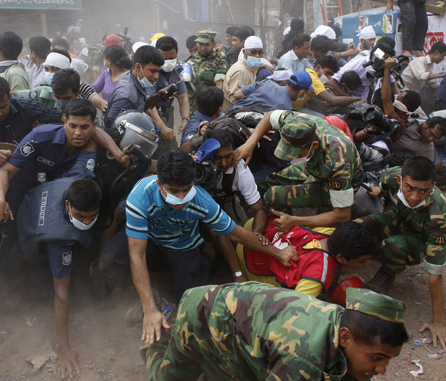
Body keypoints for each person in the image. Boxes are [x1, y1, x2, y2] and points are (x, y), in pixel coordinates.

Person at [123, 150, 297, 342]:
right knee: (111, 261)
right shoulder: (139, 197)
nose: (181, 198)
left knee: (191, 301)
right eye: (173, 191)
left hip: (182, 245)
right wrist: (149, 310)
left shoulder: (202, 200)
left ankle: (207, 254)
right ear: (159, 184)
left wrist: (278, 253)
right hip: (147, 240)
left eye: (186, 189)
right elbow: (136, 255)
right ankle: (141, 300)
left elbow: (235, 232)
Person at [142, 283, 408, 381]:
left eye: (387, 359)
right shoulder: (303, 357)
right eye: (377, 358)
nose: (382, 370)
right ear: (346, 337)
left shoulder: (342, 325)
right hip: (204, 315)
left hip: (244, 327)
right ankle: (157, 333)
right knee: (167, 377)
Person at [357, 157, 446, 350]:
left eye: (423, 190)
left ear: (432, 186)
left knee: (392, 246)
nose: (414, 196)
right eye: (409, 188)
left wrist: (439, 322)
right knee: (359, 226)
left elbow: (435, 275)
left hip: (419, 239)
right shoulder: (391, 176)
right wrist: (382, 192)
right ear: (401, 180)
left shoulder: (439, 216)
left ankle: (388, 271)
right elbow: (386, 186)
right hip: (398, 219)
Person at [0, 99, 128, 229]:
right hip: (24, 190)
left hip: (58, 199)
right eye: (72, 126)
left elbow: (99, 135)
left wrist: (118, 154)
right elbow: (6, 171)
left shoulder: (93, 142)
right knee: (7, 228)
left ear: (93, 125)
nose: (78, 133)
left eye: (84, 127)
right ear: (64, 120)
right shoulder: (40, 136)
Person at [15, 177, 102, 378]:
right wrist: (63, 348)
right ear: (67, 205)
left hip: (39, 196)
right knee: (50, 286)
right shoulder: (59, 239)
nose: (87, 222)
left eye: (92, 216)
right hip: (29, 225)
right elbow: (61, 293)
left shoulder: (82, 180)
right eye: (80, 217)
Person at [235, 110, 362, 228]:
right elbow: (269, 116)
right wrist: (250, 143)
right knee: (268, 181)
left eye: (296, 154)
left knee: (272, 196)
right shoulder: (299, 124)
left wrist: (295, 221)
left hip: (331, 183)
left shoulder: (337, 163)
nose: (292, 158)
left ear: (314, 146)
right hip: (311, 165)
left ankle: (277, 228)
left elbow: (342, 215)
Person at [237, 220, 375, 298]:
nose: (367, 263)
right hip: (251, 264)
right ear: (340, 258)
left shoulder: (328, 231)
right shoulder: (319, 273)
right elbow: (295, 305)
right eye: (362, 261)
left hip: (251, 229)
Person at [0, 76, 62, 165]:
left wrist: (41, 129)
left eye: (2, 107)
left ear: (10, 98)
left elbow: (61, 120)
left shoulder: (27, 107)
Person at [199, 129, 267, 233]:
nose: (224, 163)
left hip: (228, 199)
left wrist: (256, 235)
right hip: (200, 203)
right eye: (217, 157)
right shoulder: (196, 164)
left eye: (228, 156)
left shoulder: (241, 171)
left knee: (239, 232)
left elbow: (258, 209)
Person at [105, 45, 165, 128]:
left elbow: (138, 107)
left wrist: (155, 97)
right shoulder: (125, 96)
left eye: (158, 72)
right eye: (153, 71)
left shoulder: (134, 77)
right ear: (137, 67)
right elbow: (111, 127)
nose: (156, 76)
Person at [222, 36, 269, 112]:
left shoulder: (251, 67)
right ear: (244, 52)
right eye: (253, 52)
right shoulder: (240, 70)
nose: (257, 55)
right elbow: (234, 99)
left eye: (260, 52)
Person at [154, 36, 190, 133]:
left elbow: (183, 98)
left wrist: (185, 120)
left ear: (177, 53)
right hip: (151, 115)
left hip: (167, 113)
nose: (168, 62)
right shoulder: (151, 71)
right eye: (164, 58)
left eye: (172, 58)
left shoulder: (177, 70)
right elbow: (147, 103)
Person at [231, 69, 314, 111]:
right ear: (302, 91)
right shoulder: (286, 108)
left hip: (233, 114)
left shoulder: (266, 82)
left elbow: (237, 94)